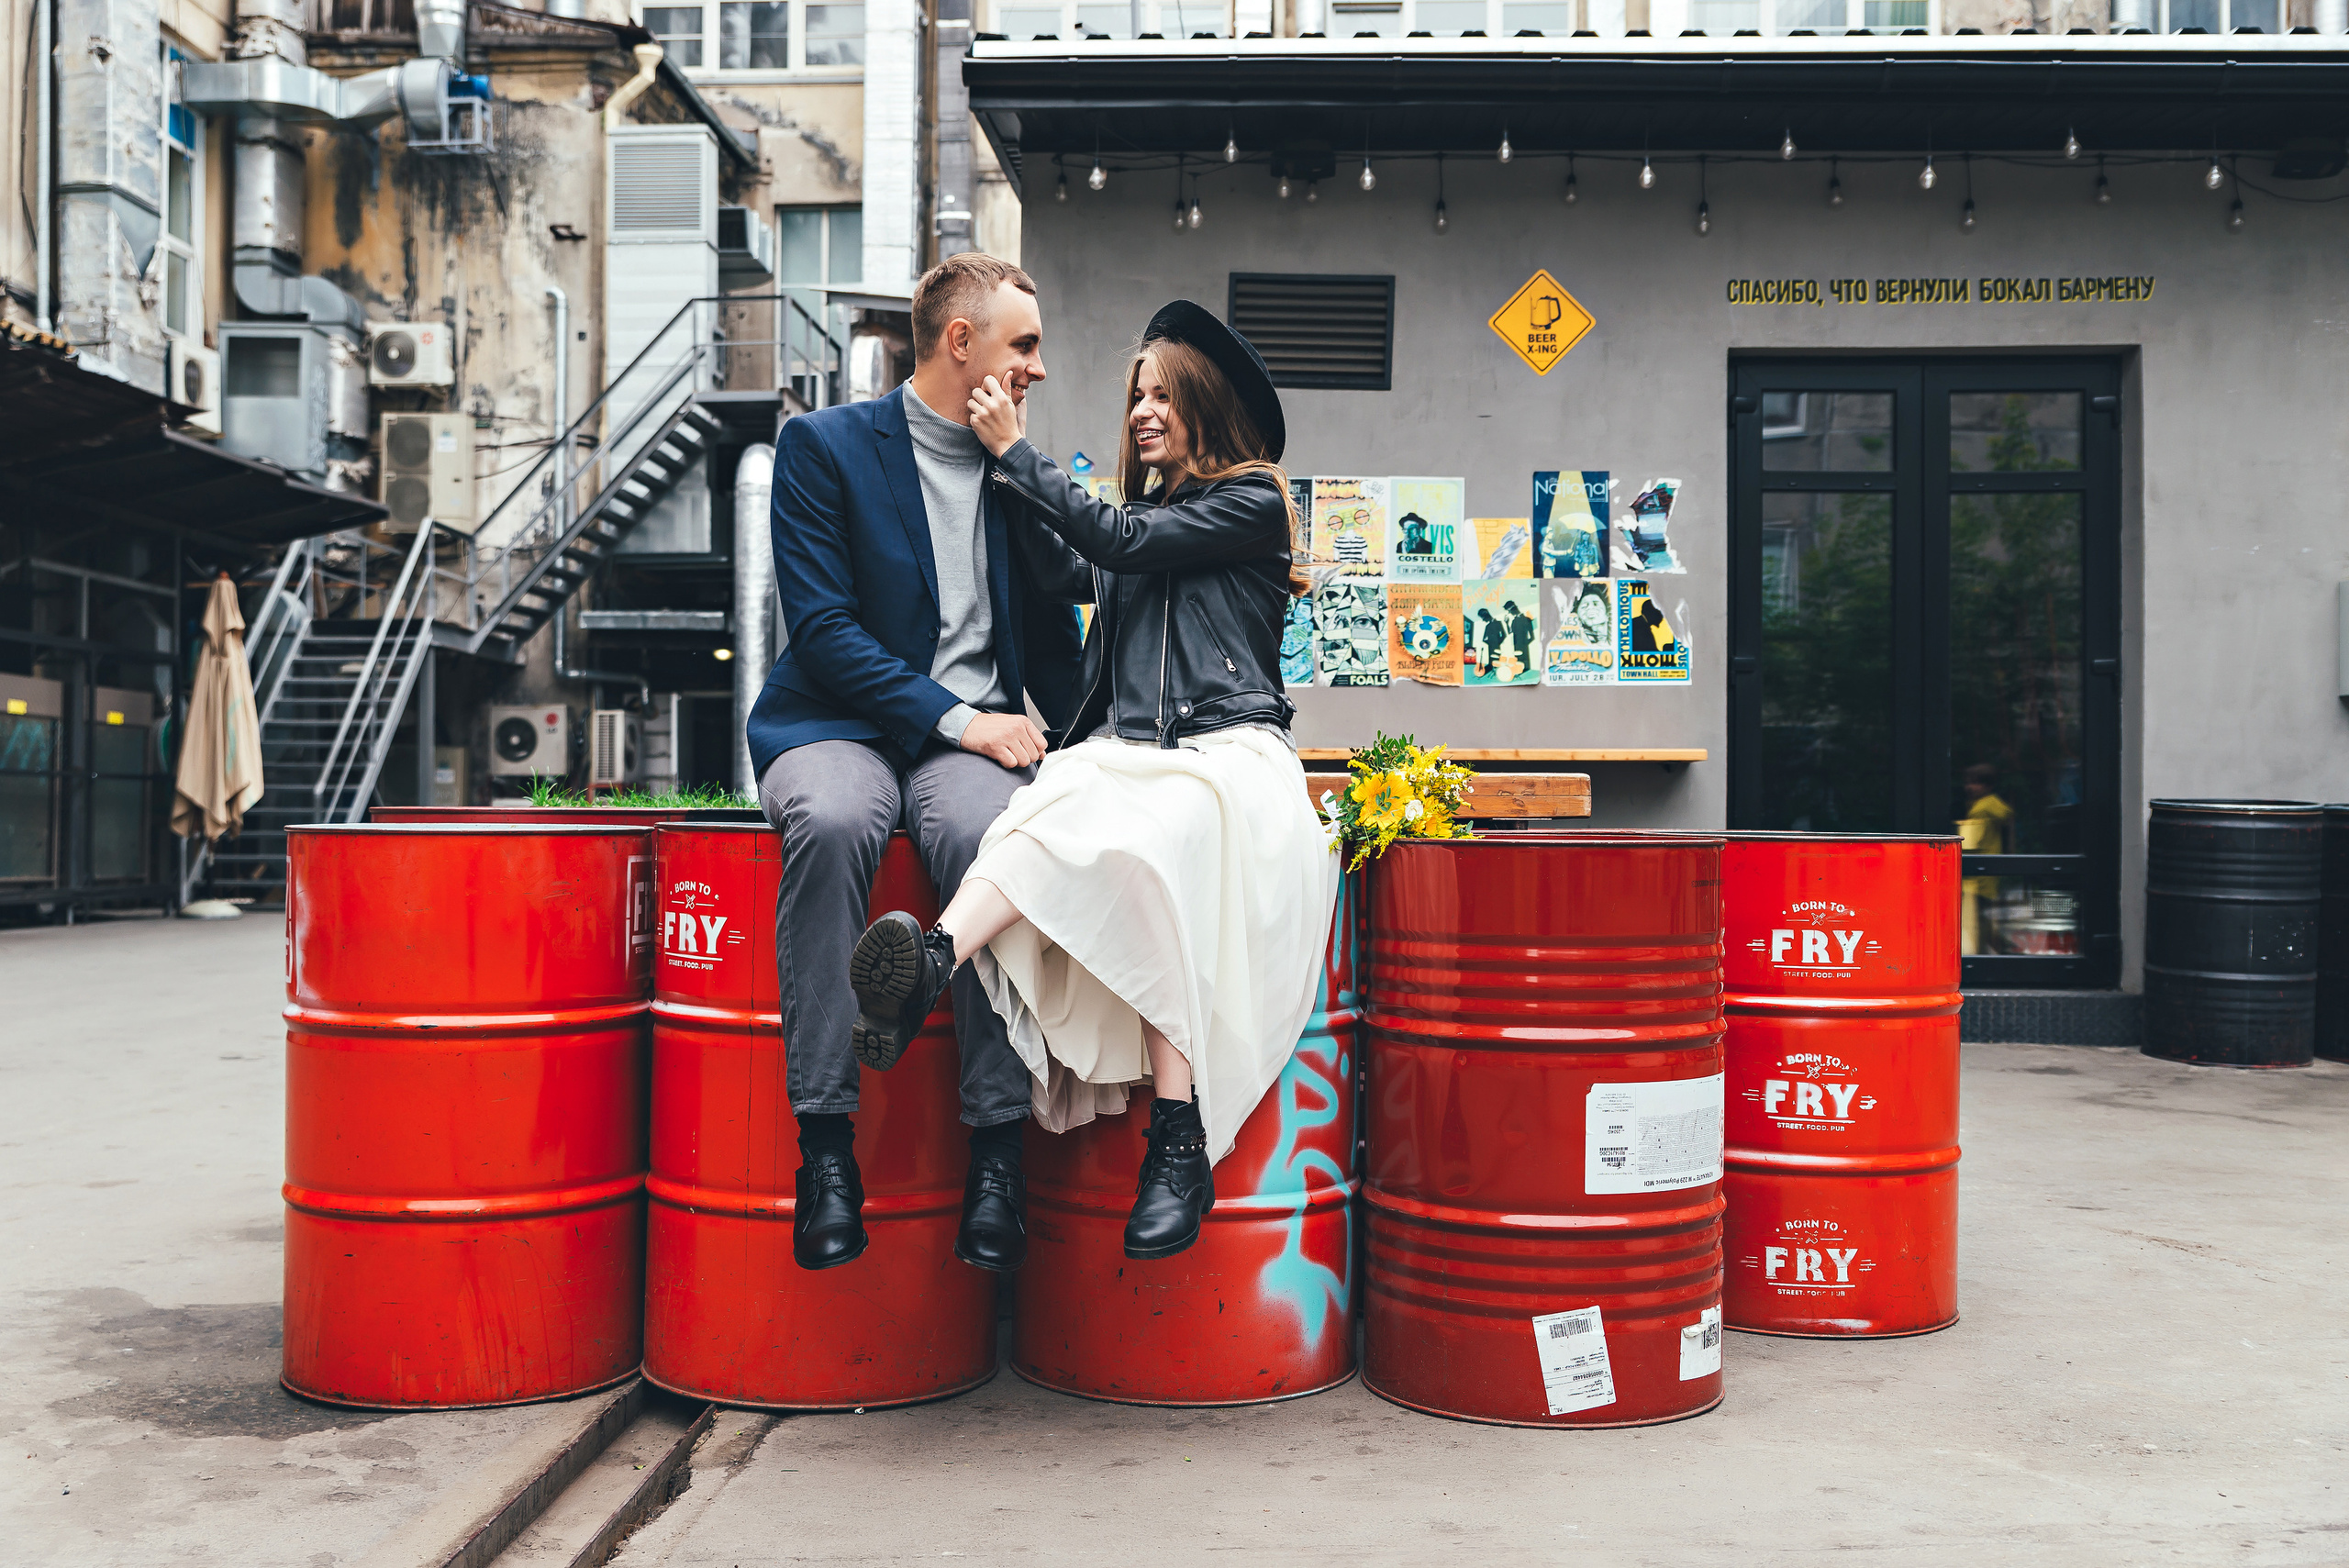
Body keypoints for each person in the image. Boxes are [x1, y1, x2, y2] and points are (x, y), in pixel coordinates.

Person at [843, 301, 1340, 1262]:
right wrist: (996, 466)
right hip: (1139, 753)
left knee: (1154, 838)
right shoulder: (1143, 520)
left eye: (1163, 396)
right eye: (1135, 397)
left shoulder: (1251, 503)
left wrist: (1015, 451)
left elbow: (1118, 544)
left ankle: (1178, 1138)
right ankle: (932, 962)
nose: (1142, 411)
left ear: (1207, 406)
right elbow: (1067, 562)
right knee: (1045, 803)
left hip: (1230, 754)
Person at [746, 253, 1082, 1275]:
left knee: (994, 835)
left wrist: (1107, 751)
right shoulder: (824, 446)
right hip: (835, 724)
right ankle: (826, 1150)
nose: (1037, 368)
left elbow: (1055, 625)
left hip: (968, 744)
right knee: (834, 819)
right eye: (1025, 345)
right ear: (960, 341)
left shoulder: (1013, 464)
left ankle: (995, 1158)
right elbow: (824, 629)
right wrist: (962, 720)